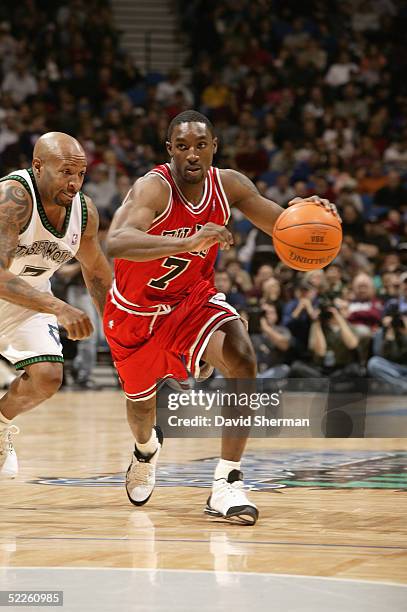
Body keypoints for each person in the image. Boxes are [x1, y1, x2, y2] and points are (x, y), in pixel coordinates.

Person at [104, 110, 339, 525]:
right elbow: (117, 242)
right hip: (135, 314)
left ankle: (227, 481)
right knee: (141, 410)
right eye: (182, 147)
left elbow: (282, 225)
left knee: (243, 357)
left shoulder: (228, 185)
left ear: (214, 146)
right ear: (169, 150)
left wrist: (309, 217)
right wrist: (191, 239)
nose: (191, 155)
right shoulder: (153, 188)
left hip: (193, 302)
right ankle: (145, 451)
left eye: (200, 145)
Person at [0, 132, 112, 477]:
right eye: (66, 172)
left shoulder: (83, 211)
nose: (75, 183)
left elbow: (96, 273)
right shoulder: (13, 197)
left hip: (29, 296)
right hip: (21, 291)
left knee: (48, 377)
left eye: (80, 174)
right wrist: (59, 307)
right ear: (37, 166)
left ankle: (0, 424)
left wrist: (120, 332)